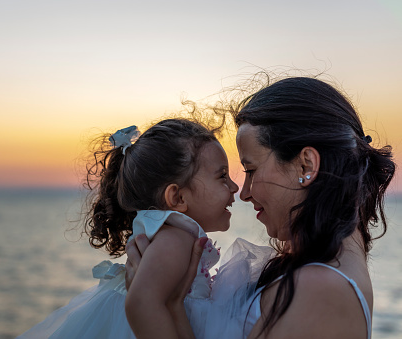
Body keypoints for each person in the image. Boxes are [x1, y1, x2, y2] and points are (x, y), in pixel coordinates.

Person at [125, 77, 396, 339]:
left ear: (306, 166)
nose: (243, 193)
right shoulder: (324, 266)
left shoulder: (319, 290)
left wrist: (171, 307)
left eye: (251, 170)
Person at [17, 118, 246, 339]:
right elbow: (141, 303)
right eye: (222, 176)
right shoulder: (176, 240)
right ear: (177, 197)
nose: (235, 187)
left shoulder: (171, 237)